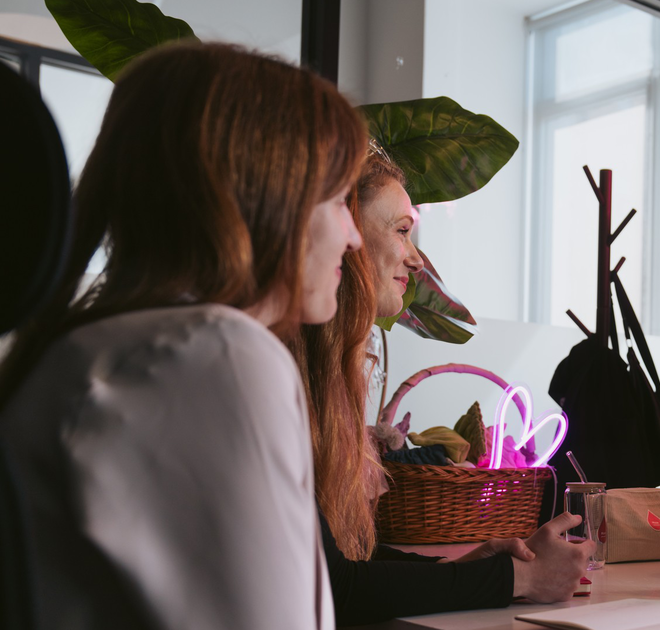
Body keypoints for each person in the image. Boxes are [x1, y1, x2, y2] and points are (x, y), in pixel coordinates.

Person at [0, 43, 366, 630]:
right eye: (336, 199)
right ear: (266, 196)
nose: (353, 236)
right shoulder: (213, 354)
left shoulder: (91, 350)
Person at [289, 150, 592, 626]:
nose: (415, 259)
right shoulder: (283, 377)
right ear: (342, 231)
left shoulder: (322, 379)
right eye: (402, 231)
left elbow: (348, 567)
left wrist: (470, 567)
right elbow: (336, 588)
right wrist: (521, 580)